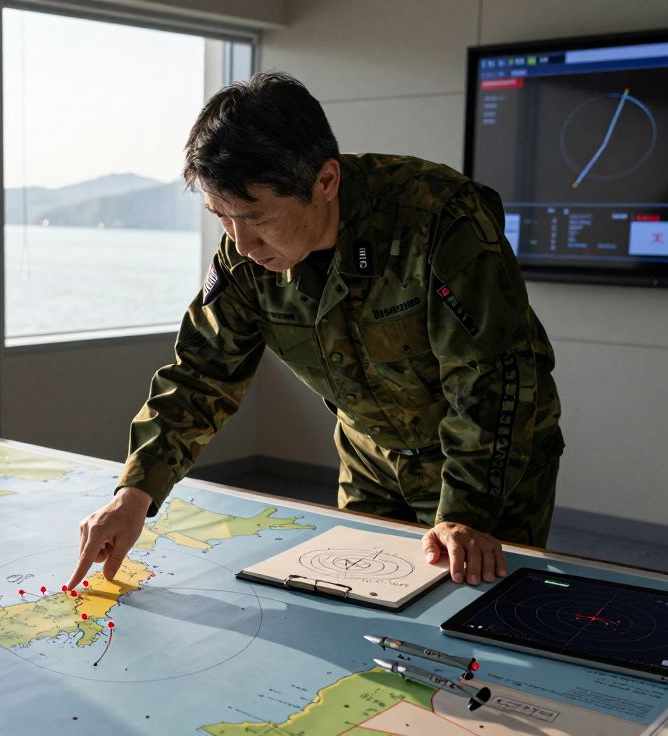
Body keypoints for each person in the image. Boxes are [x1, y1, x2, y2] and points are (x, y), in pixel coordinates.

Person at [67, 71, 564, 591]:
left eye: (254, 217)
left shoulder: (439, 219)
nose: (240, 243)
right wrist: (134, 495)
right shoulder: (246, 259)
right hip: (371, 461)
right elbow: (199, 375)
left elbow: (493, 377)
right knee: (362, 600)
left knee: (481, 615)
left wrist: (468, 511)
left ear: (325, 181)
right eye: (221, 217)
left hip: (489, 462)